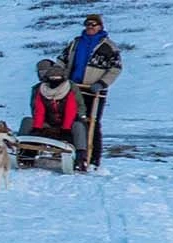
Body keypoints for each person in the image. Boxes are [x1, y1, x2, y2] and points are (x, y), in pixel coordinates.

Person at [57, 14, 122, 169]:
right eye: (87, 24)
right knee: (69, 120)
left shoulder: (108, 46)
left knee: (92, 122)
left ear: (100, 26)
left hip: (94, 91)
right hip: (73, 88)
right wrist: (58, 75)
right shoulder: (75, 43)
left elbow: (116, 68)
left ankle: (93, 159)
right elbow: (61, 60)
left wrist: (102, 83)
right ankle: (70, 153)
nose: (90, 27)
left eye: (94, 24)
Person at [19, 59, 88, 171]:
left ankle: (80, 159)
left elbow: (74, 108)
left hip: (67, 123)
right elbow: (37, 109)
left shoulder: (70, 88)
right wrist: (38, 126)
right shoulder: (40, 89)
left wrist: (75, 120)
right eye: (40, 72)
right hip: (47, 122)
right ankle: (25, 151)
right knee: (27, 121)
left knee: (79, 126)